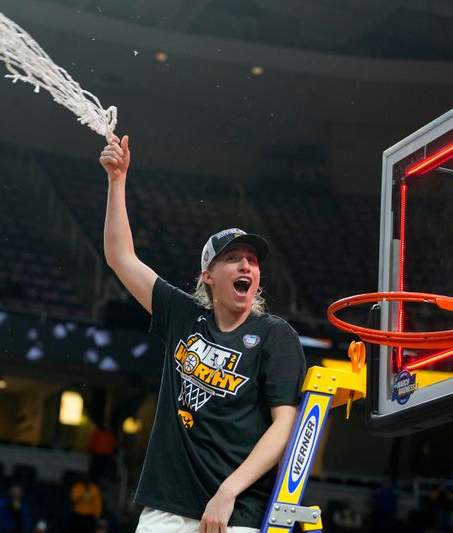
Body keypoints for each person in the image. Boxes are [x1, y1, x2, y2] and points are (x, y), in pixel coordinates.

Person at [99, 134, 307, 533]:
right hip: (167, 504)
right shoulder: (183, 315)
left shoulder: (274, 335)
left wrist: (228, 492)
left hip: (237, 510)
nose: (246, 266)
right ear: (208, 276)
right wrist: (117, 180)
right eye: (233, 259)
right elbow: (120, 257)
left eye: (252, 260)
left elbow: (285, 427)